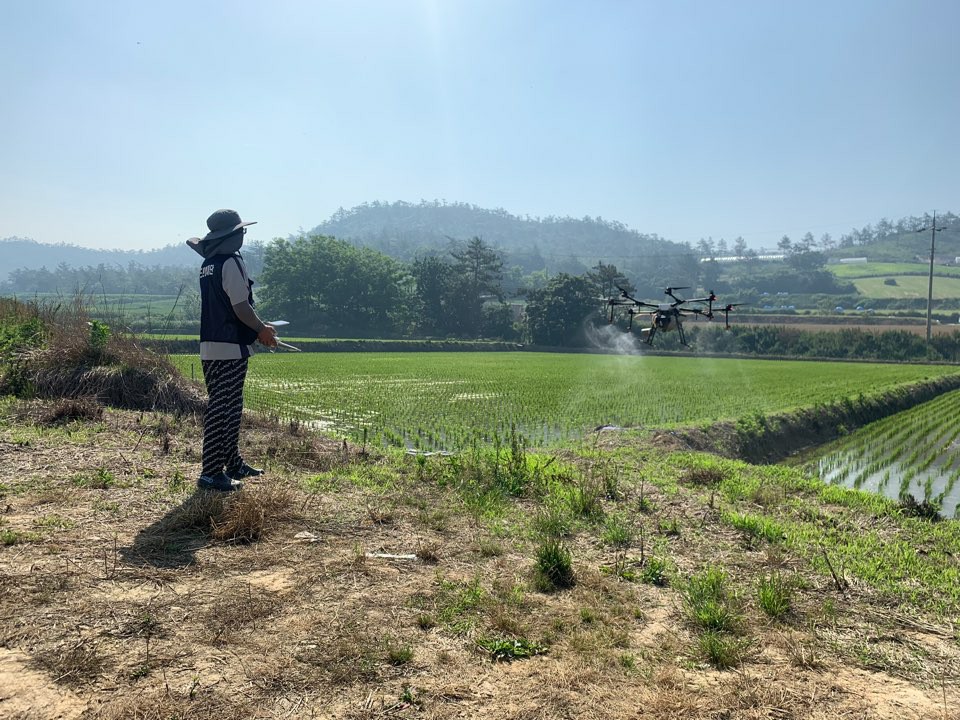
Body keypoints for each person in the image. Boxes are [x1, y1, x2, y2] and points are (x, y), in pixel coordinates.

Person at [187, 209, 277, 491]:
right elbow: (240, 307)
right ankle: (211, 472)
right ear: (233, 235)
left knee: (227, 406)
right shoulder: (232, 262)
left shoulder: (209, 264)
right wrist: (262, 329)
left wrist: (259, 326)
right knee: (223, 409)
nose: (243, 235)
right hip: (230, 346)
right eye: (241, 231)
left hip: (211, 345)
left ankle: (233, 463)